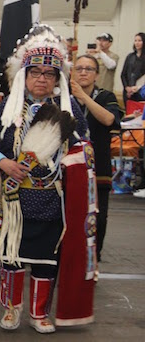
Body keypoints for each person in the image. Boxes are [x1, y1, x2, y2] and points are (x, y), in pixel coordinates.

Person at [0, 25, 93, 334]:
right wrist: (3, 162)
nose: (42, 78)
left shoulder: (68, 109)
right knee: (11, 257)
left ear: (57, 79)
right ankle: (12, 309)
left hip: (52, 199)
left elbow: (83, 147)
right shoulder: (9, 108)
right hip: (15, 198)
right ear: (25, 75)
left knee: (46, 259)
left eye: (49, 73)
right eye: (36, 72)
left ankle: (38, 313)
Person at [71, 54, 122, 262]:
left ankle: (94, 258)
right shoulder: (63, 97)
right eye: (79, 68)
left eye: (89, 69)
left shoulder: (105, 96)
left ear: (96, 75)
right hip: (70, 168)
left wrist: (84, 98)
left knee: (98, 219)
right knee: (71, 217)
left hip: (98, 168)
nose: (83, 72)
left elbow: (109, 119)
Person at [120, 32, 145, 103]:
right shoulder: (130, 56)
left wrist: (137, 87)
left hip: (141, 91)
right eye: (135, 40)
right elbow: (123, 74)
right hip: (128, 91)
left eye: (139, 41)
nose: (137, 43)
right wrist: (127, 87)